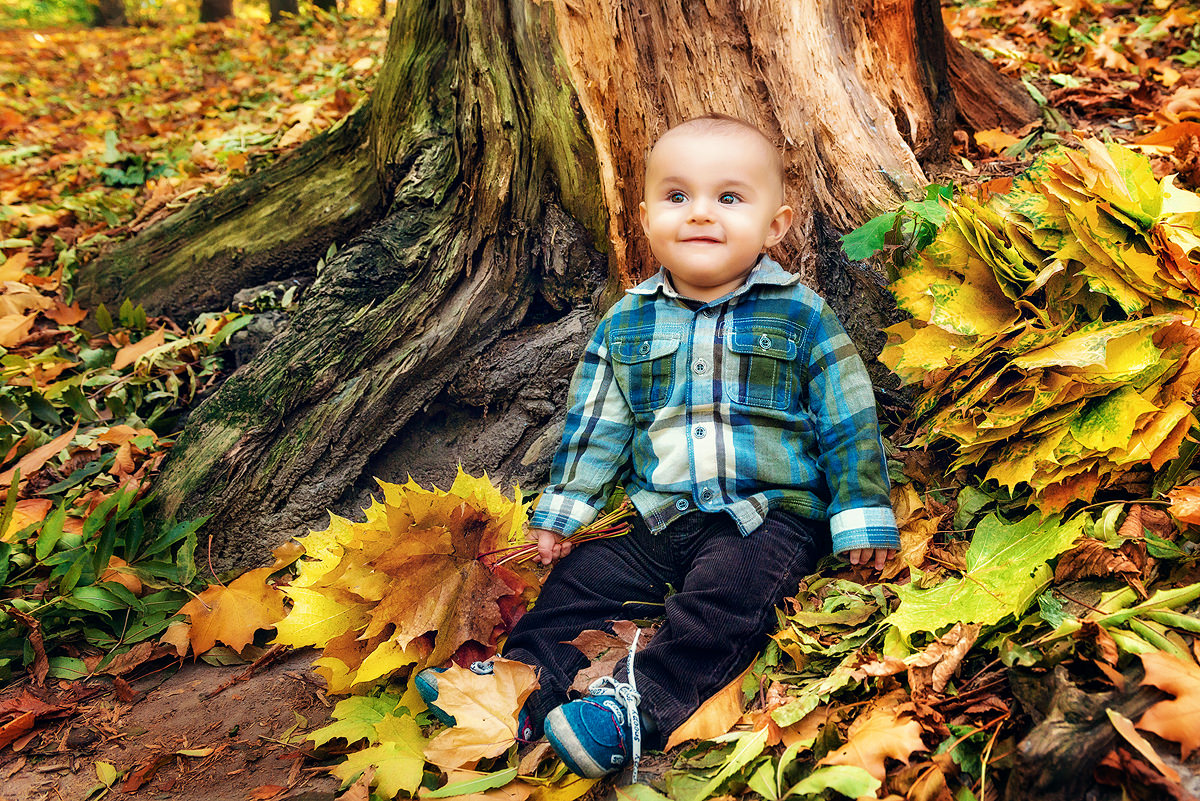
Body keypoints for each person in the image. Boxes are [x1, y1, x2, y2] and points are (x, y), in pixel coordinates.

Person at [418, 114, 898, 779]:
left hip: (766, 515)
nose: (700, 213)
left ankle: (635, 710)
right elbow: (599, 424)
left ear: (776, 224)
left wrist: (860, 513)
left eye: (729, 198)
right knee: (580, 582)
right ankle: (519, 690)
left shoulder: (801, 314)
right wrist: (565, 510)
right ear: (645, 218)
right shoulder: (628, 320)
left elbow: (848, 417)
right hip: (657, 514)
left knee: (725, 597)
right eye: (678, 197)